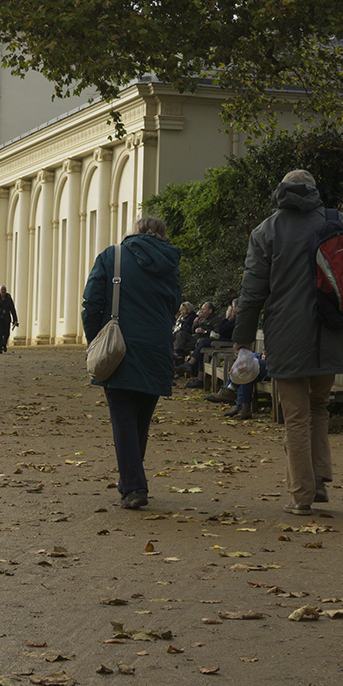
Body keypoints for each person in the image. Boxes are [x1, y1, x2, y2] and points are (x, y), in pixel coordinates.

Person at [232, 169, 343, 515]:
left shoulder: (266, 230)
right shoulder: (339, 220)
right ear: (314, 190)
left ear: (281, 191)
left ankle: (301, 496)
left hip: (286, 334)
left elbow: (253, 292)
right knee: (319, 408)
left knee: (295, 416)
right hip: (332, 329)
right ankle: (318, 482)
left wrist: (242, 340)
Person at [82, 215, 185, 511]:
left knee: (123, 419)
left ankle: (135, 486)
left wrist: (96, 339)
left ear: (134, 231)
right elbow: (174, 304)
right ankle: (130, 481)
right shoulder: (170, 263)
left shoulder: (112, 256)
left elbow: (92, 302)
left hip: (121, 348)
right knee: (140, 420)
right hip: (157, 348)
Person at [180, 300, 219, 386]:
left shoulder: (216, 319)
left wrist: (204, 331)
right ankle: (179, 357)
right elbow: (192, 331)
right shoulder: (201, 318)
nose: (202, 311)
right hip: (196, 340)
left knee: (202, 349)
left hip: (209, 342)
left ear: (210, 310)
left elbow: (216, 334)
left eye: (204, 309)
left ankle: (190, 365)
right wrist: (195, 324)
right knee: (183, 342)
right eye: (202, 309)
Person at [0, 285, 19, 353]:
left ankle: (4, 344)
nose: (3, 291)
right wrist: (1, 310)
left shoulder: (9, 299)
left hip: (6, 318)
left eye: (4, 290)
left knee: (6, 333)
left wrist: (15, 319)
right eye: (2, 290)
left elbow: (12, 310)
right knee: (0, 333)